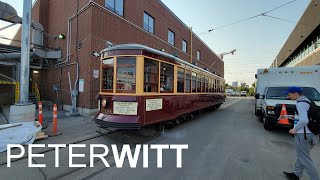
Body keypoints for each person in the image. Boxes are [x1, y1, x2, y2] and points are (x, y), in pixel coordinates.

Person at [282, 86, 319, 180]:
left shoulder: (300, 104)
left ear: (296, 94)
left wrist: (294, 129)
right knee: (302, 156)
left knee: (305, 159)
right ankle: (296, 174)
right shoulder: (308, 101)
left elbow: (304, 120)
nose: (288, 96)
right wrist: (292, 117)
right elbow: (305, 117)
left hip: (303, 135)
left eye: (289, 94)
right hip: (313, 134)